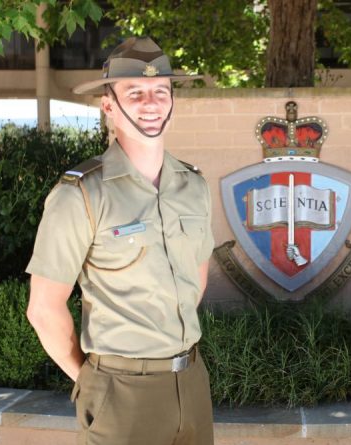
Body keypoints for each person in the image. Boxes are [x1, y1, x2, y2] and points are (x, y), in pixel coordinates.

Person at [25, 36, 215, 445]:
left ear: (172, 102)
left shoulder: (194, 185)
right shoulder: (80, 195)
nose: (151, 103)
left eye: (161, 92)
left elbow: (195, 280)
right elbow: (43, 309)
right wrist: (91, 381)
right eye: (136, 92)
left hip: (192, 381)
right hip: (121, 392)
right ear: (109, 105)